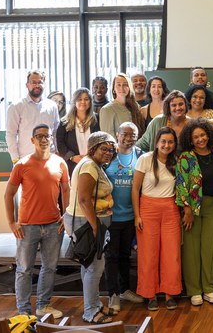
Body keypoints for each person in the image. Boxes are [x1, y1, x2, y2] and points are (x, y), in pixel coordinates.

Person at [5, 124, 69, 319]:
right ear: (32, 140)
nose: (43, 139)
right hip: (27, 227)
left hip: (53, 225)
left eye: (47, 136)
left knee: (49, 268)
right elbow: (8, 194)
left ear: (52, 139)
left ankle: (43, 305)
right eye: (39, 136)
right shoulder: (22, 165)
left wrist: (66, 216)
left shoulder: (60, 163)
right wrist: (12, 223)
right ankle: (24, 311)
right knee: (24, 269)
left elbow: (66, 190)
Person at [63, 132, 118, 324]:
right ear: (93, 148)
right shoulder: (89, 166)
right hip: (86, 222)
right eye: (104, 148)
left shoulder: (94, 165)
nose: (108, 152)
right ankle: (90, 311)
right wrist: (96, 228)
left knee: (88, 266)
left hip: (87, 221)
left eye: (111, 149)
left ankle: (93, 304)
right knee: (95, 267)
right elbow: (84, 199)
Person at [132, 127, 181, 311]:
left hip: (170, 209)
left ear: (174, 144)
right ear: (157, 142)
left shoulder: (177, 160)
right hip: (148, 209)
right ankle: (150, 294)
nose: (166, 145)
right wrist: (137, 215)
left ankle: (170, 294)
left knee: (172, 254)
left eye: (170, 142)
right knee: (148, 254)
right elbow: (135, 189)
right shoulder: (145, 159)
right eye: (163, 141)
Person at [176, 118, 213, 306]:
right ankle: (195, 290)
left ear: (209, 134)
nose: (200, 139)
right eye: (195, 137)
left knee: (211, 248)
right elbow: (181, 185)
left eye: (202, 135)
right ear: (190, 139)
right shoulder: (186, 158)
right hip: (192, 208)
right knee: (191, 249)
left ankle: (211, 289)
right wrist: (186, 209)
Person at [104, 123, 144, 312]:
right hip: (111, 217)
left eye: (132, 134)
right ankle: (112, 295)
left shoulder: (140, 155)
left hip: (130, 216)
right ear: (117, 135)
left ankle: (124, 289)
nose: (128, 138)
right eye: (125, 134)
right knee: (111, 257)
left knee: (125, 255)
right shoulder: (108, 155)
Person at [6, 70, 60, 163]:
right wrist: (15, 159)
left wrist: (56, 153)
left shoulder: (52, 106)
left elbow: (55, 133)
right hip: (25, 160)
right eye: (33, 82)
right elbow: (11, 134)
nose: (37, 85)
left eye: (40, 82)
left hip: (49, 160)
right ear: (27, 85)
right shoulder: (16, 106)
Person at [56, 88, 100, 175]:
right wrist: (72, 157)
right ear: (74, 102)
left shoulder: (97, 119)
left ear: (90, 102)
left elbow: (101, 140)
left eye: (86, 99)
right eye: (79, 99)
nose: (83, 102)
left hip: (94, 163)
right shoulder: (64, 122)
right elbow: (60, 143)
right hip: (73, 165)